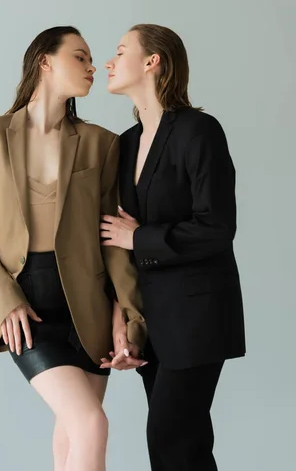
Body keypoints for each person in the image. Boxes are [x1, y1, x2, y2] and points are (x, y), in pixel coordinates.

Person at [0, 26, 147, 471]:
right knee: (91, 425)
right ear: (45, 61)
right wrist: (6, 302)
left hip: (90, 309)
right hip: (27, 307)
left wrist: (127, 316)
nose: (92, 66)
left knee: (71, 440)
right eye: (80, 57)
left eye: (92, 59)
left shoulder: (102, 143)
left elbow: (111, 239)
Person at [100, 24, 246, 471]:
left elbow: (217, 226)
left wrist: (137, 236)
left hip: (199, 316)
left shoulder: (199, 130)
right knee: (182, 446)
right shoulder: (123, 144)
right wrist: (122, 318)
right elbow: (118, 245)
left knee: (172, 438)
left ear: (152, 61)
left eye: (120, 51)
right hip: (154, 321)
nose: (108, 61)